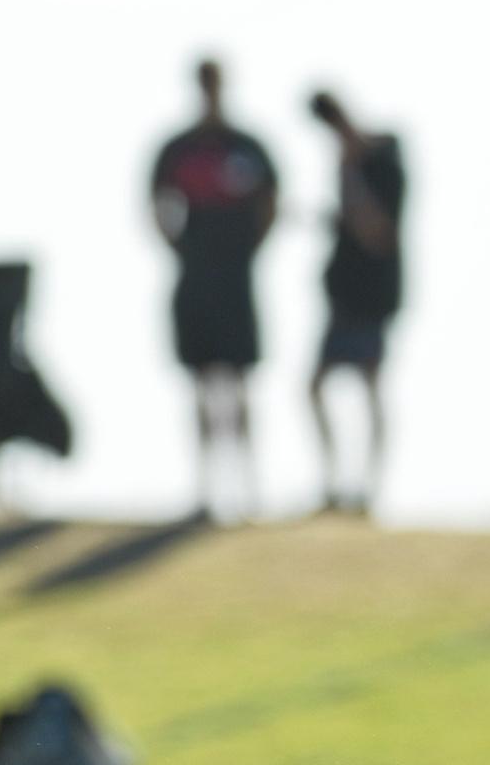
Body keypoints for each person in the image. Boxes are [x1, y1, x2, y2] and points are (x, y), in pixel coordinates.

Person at [149, 58, 278, 521]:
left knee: (240, 383)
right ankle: (204, 492)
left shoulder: (247, 147)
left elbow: (270, 201)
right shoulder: (178, 149)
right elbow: (156, 204)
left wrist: (248, 250)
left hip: (236, 281)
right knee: (201, 385)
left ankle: (249, 492)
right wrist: (183, 250)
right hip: (195, 280)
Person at [307, 88, 407, 516]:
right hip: (343, 294)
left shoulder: (385, 164)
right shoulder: (347, 166)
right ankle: (332, 485)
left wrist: (351, 182)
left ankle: (368, 489)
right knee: (315, 388)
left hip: (372, 297)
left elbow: (377, 232)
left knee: (370, 386)